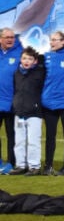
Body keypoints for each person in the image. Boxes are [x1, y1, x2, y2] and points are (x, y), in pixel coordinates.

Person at [40, 30, 64, 175]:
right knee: (50, 136)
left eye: (55, 40)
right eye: (51, 39)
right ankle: (48, 165)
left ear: (63, 41)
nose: (52, 42)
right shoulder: (46, 56)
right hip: (49, 102)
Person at [9, 46, 46, 175]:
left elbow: (42, 59)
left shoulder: (39, 72)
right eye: (24, 58)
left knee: (33, 141)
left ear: (35, 61)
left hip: (34, 113)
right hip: (19, 112)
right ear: (20, 59)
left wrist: (37, 56)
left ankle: (34, 166)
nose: (26, 61)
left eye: (30, 59)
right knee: (19, 141)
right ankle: (20, 165)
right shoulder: (17, 73)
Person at [0, 28, 22, 173]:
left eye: (12, 37)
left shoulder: (21, 53)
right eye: (7, 37)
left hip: (12, 102)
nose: (10, 39)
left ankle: (12, 162)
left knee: (12, 134)